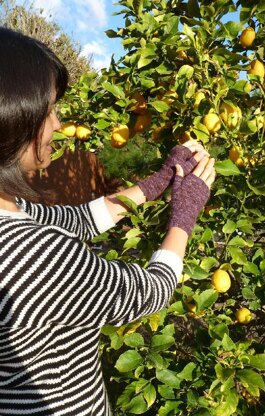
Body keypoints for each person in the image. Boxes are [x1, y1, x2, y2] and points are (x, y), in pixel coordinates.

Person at [0, 27, 216, 416]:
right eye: (49, 109)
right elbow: (151, 291)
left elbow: (78, 219)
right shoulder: (34, 258)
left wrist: (157, 183)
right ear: (16, 117)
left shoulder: (11, 215)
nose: (59, 123)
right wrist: (185, 214)